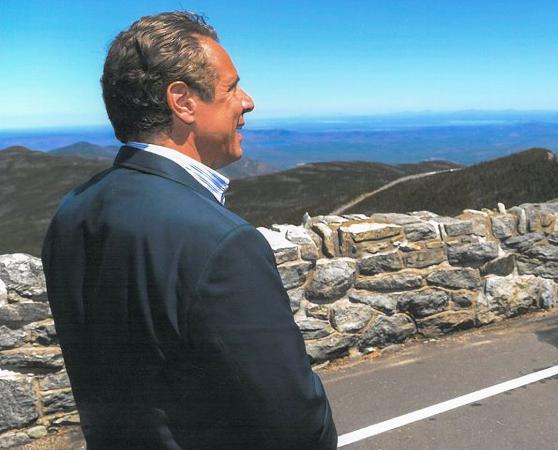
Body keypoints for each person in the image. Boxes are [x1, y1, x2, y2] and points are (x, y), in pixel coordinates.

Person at [42, 12, 337, 449]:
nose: (248, 101)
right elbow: (295, 423)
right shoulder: (221, 242)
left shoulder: (73, 212)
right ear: (182, 102)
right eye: (232, 87)